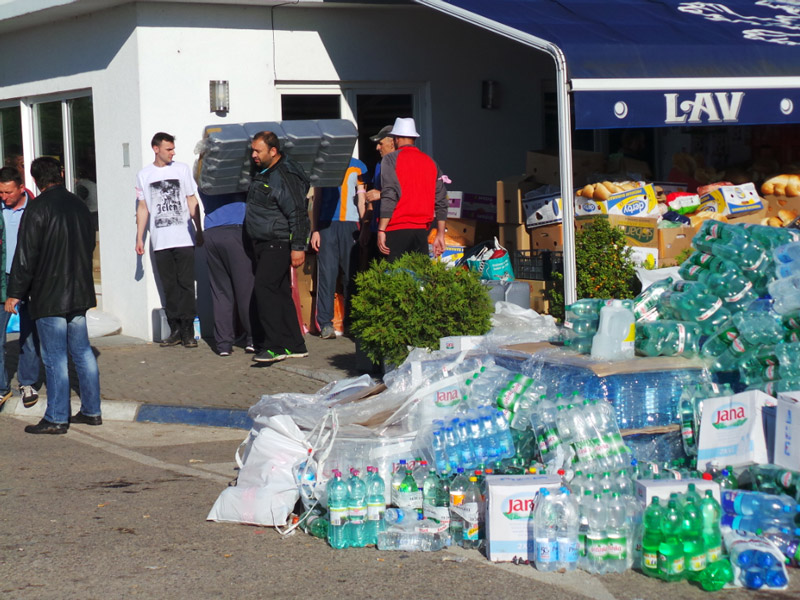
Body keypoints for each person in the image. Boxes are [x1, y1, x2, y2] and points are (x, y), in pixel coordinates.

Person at [5, 157, 100, 434]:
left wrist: (15, 293)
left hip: (50, 294)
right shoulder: (79, 205)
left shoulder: (36, 209)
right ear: (59, 175)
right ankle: (92, 410)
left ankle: (57, 417)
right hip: (79, 290)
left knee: (55, 356)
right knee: (82, 352)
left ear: (35, 180)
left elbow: (26, 256)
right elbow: (88, 246)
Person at [245, 131, 311, 363]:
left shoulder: (284, 176)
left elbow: (298, 213)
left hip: (279, 243)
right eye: (252, 150)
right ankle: (295, 344)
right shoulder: (265, 171)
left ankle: (275, 347)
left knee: (265, 289)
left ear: (273, 151)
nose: (253, 155)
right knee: (280, 293)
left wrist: (298, 246)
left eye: (258, 151)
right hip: (264, 242)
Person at [135, 132, 203, 348]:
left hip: (183, 239)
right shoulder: (144, 175)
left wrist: (199, 228)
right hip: (160, 239)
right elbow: (143, 207)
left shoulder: (181, 169)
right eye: (168, 149)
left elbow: (192, 199)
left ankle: (188, 330)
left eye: (173, 149)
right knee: (169, 286)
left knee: (186, 285)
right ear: (156, 149)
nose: (172, 153)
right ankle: (174, 329)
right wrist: (139, 237)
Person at [310, 157, 367, 339]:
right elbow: (317, 198)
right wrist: (315, 230)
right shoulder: (323, 164)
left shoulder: (358, 166)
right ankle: (325, 324)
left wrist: (364, 226)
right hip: (327, 225)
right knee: (327, 274)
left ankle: (352, 322)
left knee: (351, 275)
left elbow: (361, 198)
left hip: (350, 225)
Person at [377, 117, 448, 261]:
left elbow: (390, 193)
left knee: (393, 280)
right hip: (422, 232)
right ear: (414, 138)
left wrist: (381, 229)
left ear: (396, 139)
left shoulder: (390, 159)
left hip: (396, 228)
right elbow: (441, 200)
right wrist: (441, 234)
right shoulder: (430, 162)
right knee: (417, 280)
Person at [0, 167, 41, 408]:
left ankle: (27, 383)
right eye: (1, 192)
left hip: (28, 280)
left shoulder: (35, 209)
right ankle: (2, 387)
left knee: (28, 334)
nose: (4, 197)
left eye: (8, 192)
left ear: (21, 188)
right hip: (3, 280)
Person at [198, 190, 255, 356]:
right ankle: (253, 338)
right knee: (245, 289)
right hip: (236, 229)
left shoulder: (204, 174)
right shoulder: (234, 171)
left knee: (220, 292)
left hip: (212, 231)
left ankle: (223, 343)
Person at [359, 125, 395, 267]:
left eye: (380, 144)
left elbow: (406, 193)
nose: (377, 148)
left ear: (392, 143)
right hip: (376, 230)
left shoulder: (401, 164)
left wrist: (380, 194)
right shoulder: (380, 165)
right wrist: (366, 227)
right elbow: (372, 199)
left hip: (394, 230)